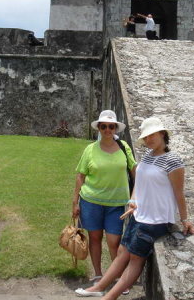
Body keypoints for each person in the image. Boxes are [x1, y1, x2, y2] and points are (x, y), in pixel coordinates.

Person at [75, 116, 194, 299]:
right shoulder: (148, 156)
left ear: (162, 134)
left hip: (156, 219)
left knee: (135, 259)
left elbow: (179, 193)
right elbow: (138, 183)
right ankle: (99, 287)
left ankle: (109, 297)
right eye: (145, 137)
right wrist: (133, 201)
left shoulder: (173, 161)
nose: (148, 140)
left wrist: (185, 220)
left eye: (151, 136)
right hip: (139, 214)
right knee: (122, 252)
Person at [72, 110, 136, 284]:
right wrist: (75, 202)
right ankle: (99, 274)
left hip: (116, 204)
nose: (108, 130)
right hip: (91, 202)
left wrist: (136, 196)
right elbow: (80, 175)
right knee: (95, 238)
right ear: (99, 128)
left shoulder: (124, 147)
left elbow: (134, 172)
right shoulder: (90, 149)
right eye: (104, 126)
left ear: (115, 128)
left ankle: (117, 278)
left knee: (114, 242)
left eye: (111, 126)